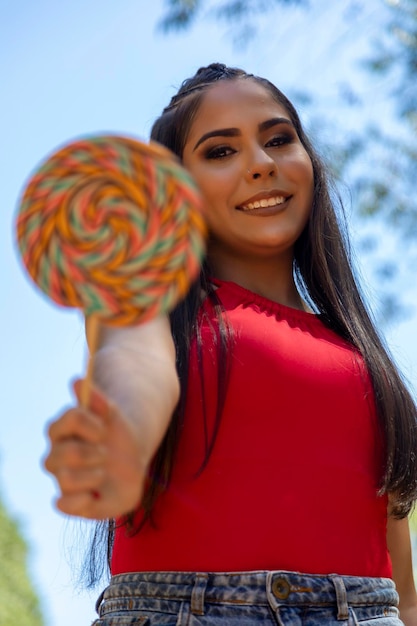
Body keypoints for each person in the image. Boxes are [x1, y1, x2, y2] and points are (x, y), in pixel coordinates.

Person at [44, 63, 417, 625]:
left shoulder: (362, 357)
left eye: (278, 140)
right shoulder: (155, 322)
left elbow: (403, 588)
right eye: (221, 152)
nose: (262, 165)